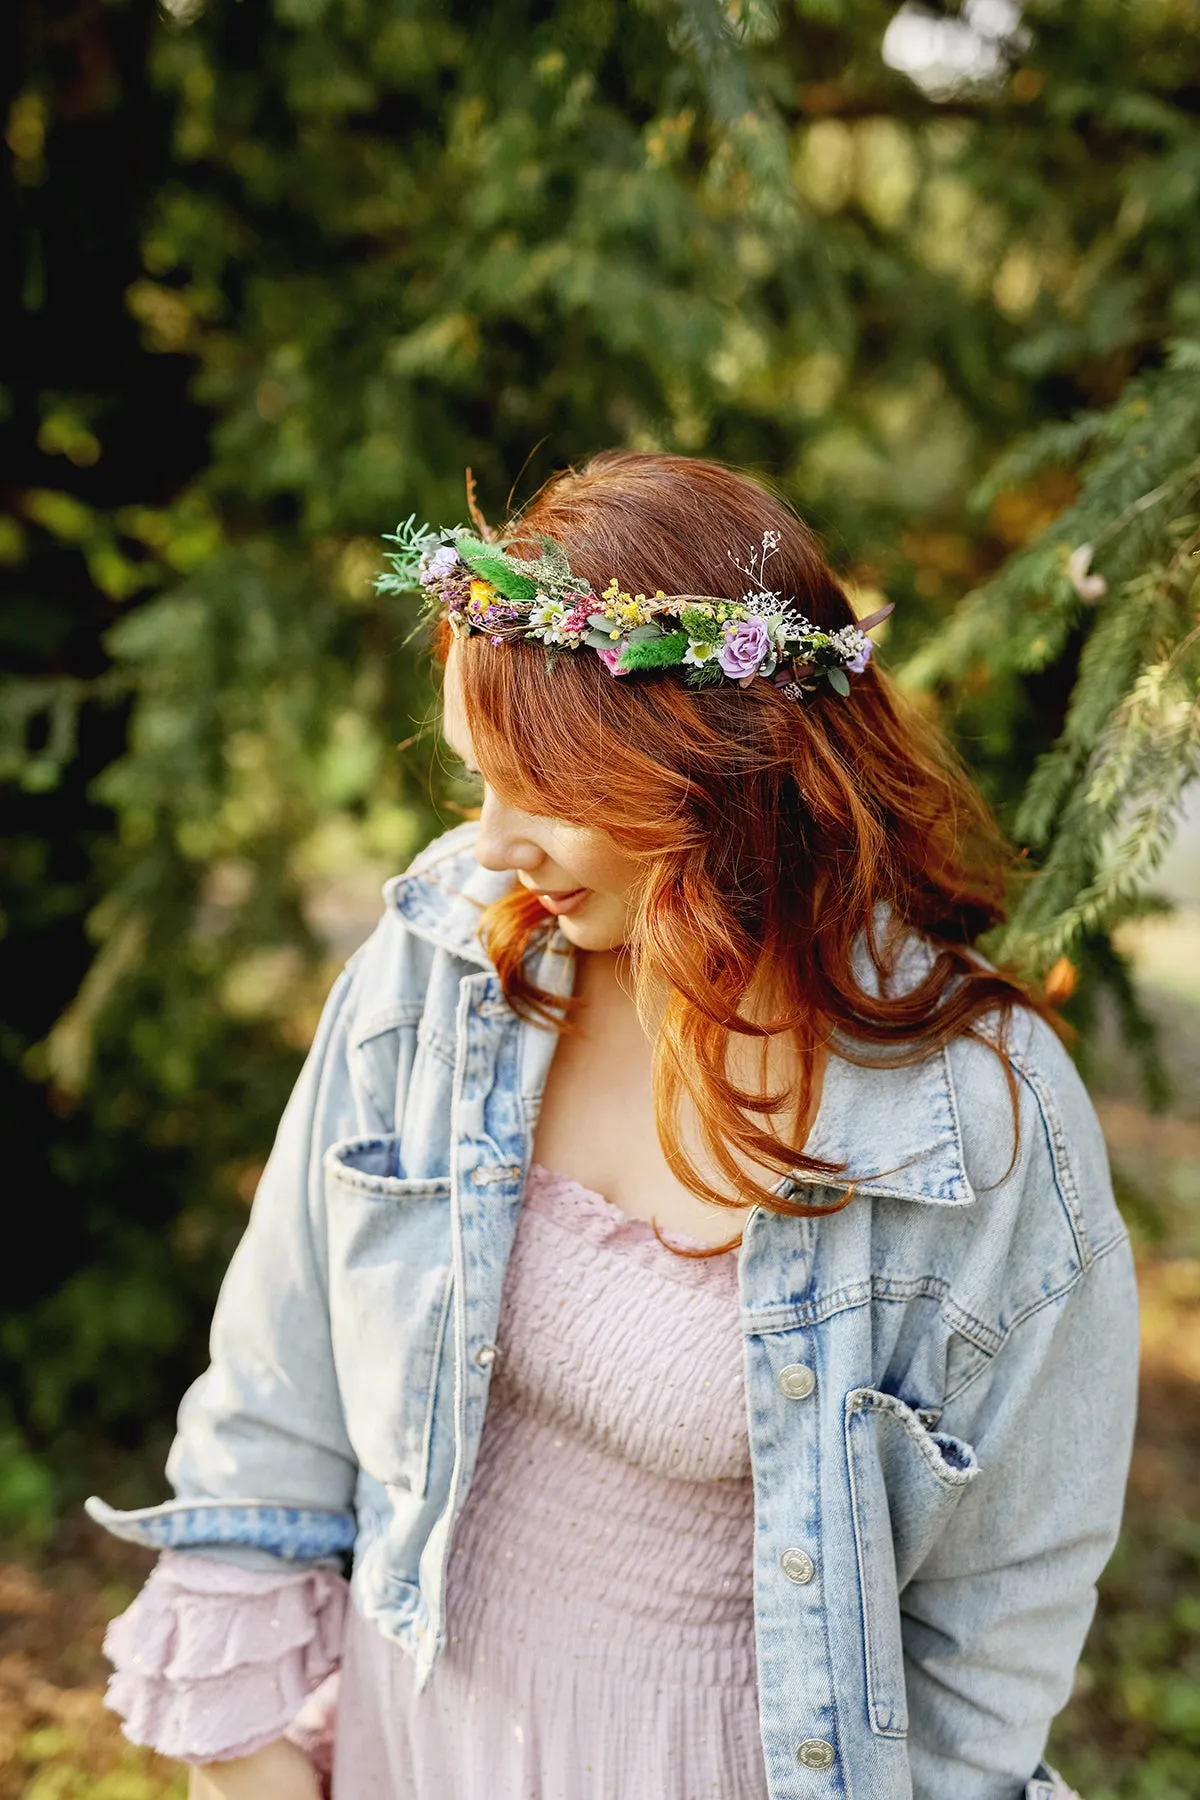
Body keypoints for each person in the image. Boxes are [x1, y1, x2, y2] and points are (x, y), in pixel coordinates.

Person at [87, 451, 1138, 1800]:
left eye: (549, 793)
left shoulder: (974, 1115)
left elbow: (1001, 1616)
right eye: (479, 778)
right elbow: (271, 1399)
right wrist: (256, 1766)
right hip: (414, 1750)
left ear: (713, 776)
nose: (493, 841)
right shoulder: (446, 965)